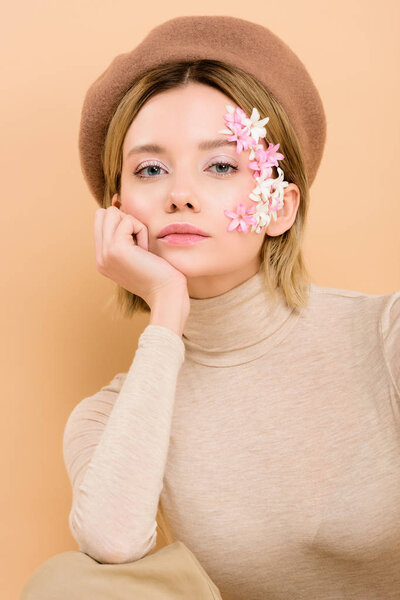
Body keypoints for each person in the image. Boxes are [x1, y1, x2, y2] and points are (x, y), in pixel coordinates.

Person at [20, 15, 400, 600]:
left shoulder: (385, 336)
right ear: (119, 214)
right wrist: (166, 310)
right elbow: (113, 543)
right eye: (151, 169)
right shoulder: (109, 417)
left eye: (221, 165)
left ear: (280, 205)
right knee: (64, 584)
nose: (180, 193)